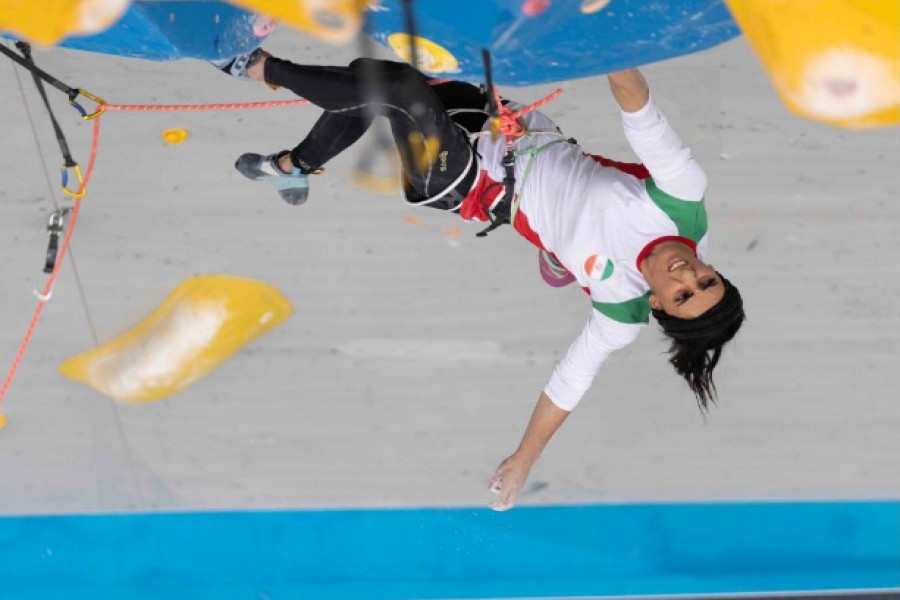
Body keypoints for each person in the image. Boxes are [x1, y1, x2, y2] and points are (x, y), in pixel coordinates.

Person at [219, 50, 746, 511]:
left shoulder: (619, 310)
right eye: (708, 281)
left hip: (473, 184)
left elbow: (569, 384)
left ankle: (256, 65)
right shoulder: (680, 198)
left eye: (683, 296)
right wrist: (601, 42)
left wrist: (522, 459)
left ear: (657, 303)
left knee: (399, 93)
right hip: (509, 130)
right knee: (374, 78)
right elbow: (637, 106)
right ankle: (292, 166)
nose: (690, 277)